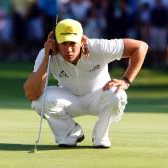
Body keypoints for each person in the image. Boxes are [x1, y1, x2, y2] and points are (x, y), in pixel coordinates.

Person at [23, 19, 148, 148]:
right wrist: (46, 60)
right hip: (70, 100)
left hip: (100, 98)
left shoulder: (98, 47)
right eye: (63, 43)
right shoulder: (46, 54)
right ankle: (70, 133)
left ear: (82, 40)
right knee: (39, 102)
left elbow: (140, 47)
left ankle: (100, 135)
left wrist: (126, 81)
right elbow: (31, 93)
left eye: (72, 43)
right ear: (55, 43)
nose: (69, 49)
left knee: (117, 94)